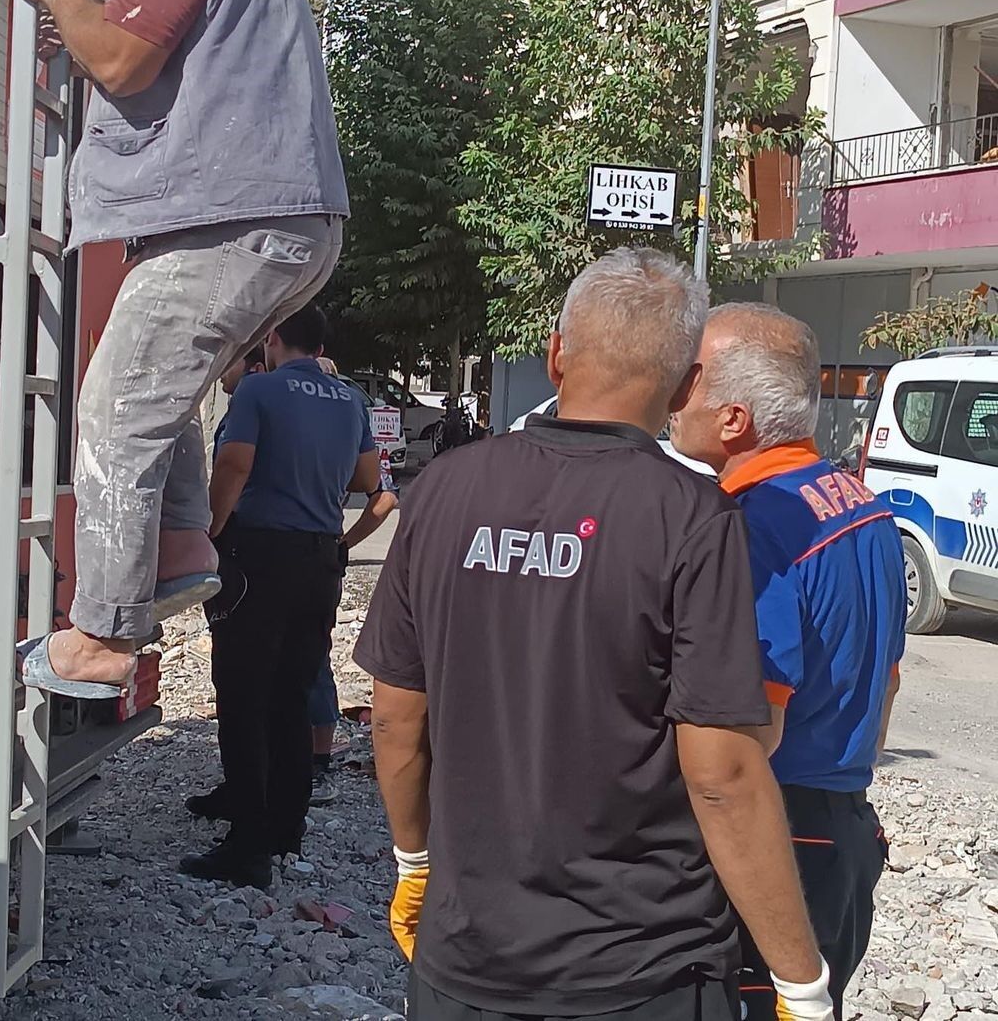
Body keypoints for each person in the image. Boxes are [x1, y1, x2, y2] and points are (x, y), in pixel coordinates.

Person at [354, 248, 835, 1021]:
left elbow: (394, 716)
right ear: (684, 390)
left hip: (466, 958)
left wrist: (415, 862)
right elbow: (723, 774)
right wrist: (800, 982)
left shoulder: (443, 488)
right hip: (643, 969)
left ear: (554, 355)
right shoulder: (693, 518)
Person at [0, 0, 348, 698]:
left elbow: (119, 59)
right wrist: (84, 26)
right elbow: (152, 64)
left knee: (114, 413)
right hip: (282, 217)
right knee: (161, 395)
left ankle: (104, 635)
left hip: (231, 218)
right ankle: (185, 545)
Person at [670, 303, 906, 1021]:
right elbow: (888, 681)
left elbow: (749, 734)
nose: (674, 395)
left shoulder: (748, 524)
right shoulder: (860, 505)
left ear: (734, 417)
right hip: (844, 831)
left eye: (690, 379)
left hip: (774, 836)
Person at [182, 304, 379, 887]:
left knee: (243, 698)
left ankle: (246, 846)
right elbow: (367, 479)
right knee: (292, 693)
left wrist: (210, 533)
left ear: (271, 338)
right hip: (319, 558)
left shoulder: (260, 391)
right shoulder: (350, 399)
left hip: (258, 556)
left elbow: (235, 463)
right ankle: (286, 828)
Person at [310, 478, 399, 806]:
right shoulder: (348, 427)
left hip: (298, 559)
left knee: (308, 657)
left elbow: (386, 498)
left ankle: (314, 762)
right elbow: (385, 496)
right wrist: (342, 547)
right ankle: (315, 761)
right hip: (321, 557)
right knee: (314, 655)